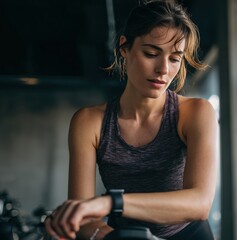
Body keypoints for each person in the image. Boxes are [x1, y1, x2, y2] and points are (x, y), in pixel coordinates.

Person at [44, 0, 218, 239]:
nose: (163, 69)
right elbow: (84, 217)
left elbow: (199, 204)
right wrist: (112, 236)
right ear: (124, 48)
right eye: (151, 53)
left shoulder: (196, 113)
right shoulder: (89, 122)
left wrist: (109, 203)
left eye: (175, 58)